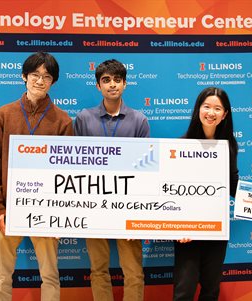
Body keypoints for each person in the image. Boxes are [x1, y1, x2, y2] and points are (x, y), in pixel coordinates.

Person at [0, 51, 73, 301]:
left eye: (46, 76)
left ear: (53, 82)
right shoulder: (3, 115)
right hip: (8, 211)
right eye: (35, 75)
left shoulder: (63, 121)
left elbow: (66, 175)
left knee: (50, 275)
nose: (39, 81)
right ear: (24, 76)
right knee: (1, 276)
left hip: (46, 212)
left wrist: (59, 215)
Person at [74, 59, 150, 301]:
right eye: (106, 80)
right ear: (98, 86)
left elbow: (144, 170)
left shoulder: (139, 120)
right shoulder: (84, 119)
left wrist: (136, 211)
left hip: (128, 207)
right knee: (98, 270)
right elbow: (74, 164)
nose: (112, 85)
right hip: (93, 205)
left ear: (125, 84)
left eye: (117, 80)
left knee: (134, 272)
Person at [173, 87, 239, 301]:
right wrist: (178, 226)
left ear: (225, 114)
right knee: (185, 290)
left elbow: (232, 184)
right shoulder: (181, 146)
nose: (211, 112)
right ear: (198, 110)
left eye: (217, 108)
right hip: (188, 231)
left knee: (211, 289)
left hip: (216, 228)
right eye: (207, 106)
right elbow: (172, 190)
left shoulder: (229, 146)